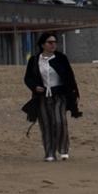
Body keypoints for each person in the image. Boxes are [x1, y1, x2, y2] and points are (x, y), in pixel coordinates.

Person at [21, 32, 81, 162]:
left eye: (55, 42)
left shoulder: (61, 58)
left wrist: (72, 93)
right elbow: (28, 78)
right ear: (43, 44)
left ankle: (63, 148)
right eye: (50, 42)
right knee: (46, 124)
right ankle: (49, 152)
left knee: (59, 122)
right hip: (42, 97)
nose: (53, 44)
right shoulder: (34, 60)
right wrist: (35, 87)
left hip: (59, 95)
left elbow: (70, 77)